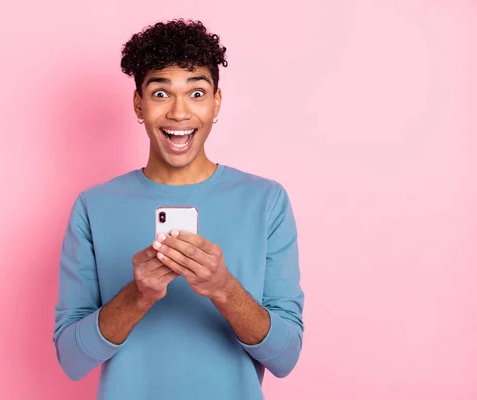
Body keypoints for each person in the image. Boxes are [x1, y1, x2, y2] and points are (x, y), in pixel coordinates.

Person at [52, 19, 304, 400]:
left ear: (216, 102)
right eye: (160, 94)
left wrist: (224, 289)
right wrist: (138, 296)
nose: (180, 113)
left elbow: (285, 357)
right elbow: (71, 360)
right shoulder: (94, 206)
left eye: (197, 93)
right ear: (138, 104)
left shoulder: (266, 201)